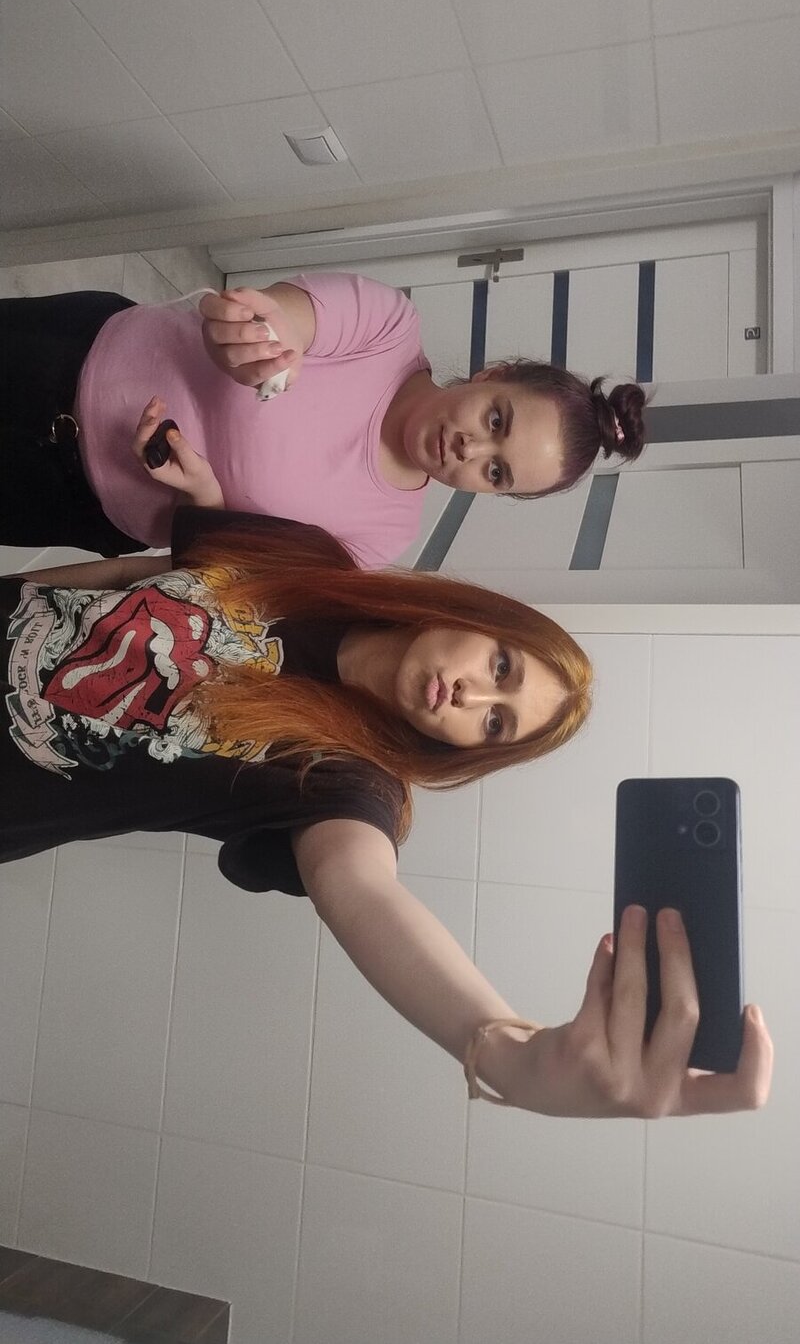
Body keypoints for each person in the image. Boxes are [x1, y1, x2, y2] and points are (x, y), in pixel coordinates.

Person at [0, 508, 771, 1120]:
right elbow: (139, 573)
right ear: (473, 615)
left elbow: (361, 890)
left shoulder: (349, 785)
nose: (473, 695)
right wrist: (21, 586)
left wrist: (505, 1053)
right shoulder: (308, 560)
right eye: (501, 666)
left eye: (494, 722)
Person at [0, 274, 646, 565]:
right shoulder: (387, 326)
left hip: (72, 504)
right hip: (61, 355)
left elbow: (234, 571)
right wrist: (259, 334)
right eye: (497, 421)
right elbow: (284, 316)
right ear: (493, 374)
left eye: (496, 472)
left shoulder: (381, 537)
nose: (470, 448)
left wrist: (203, 500)